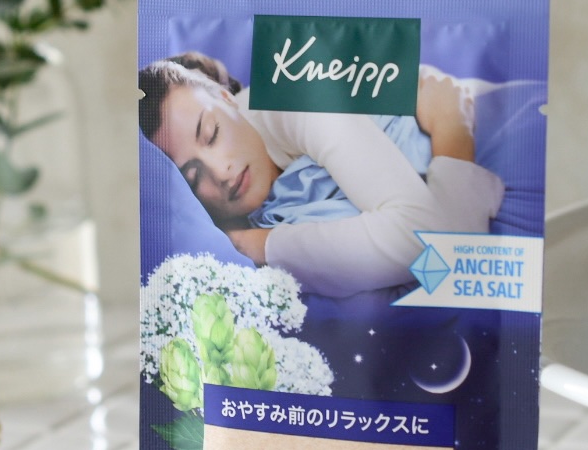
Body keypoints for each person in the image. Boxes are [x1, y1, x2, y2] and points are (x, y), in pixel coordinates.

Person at [139, 54, 503, 297]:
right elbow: (438, 259)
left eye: (211, 133)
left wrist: (452, 129)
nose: (221, 171)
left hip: (490, 124)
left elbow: (434, 242)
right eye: (193, 178)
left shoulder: (294, 97)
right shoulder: (221, 223)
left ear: (226, 98)